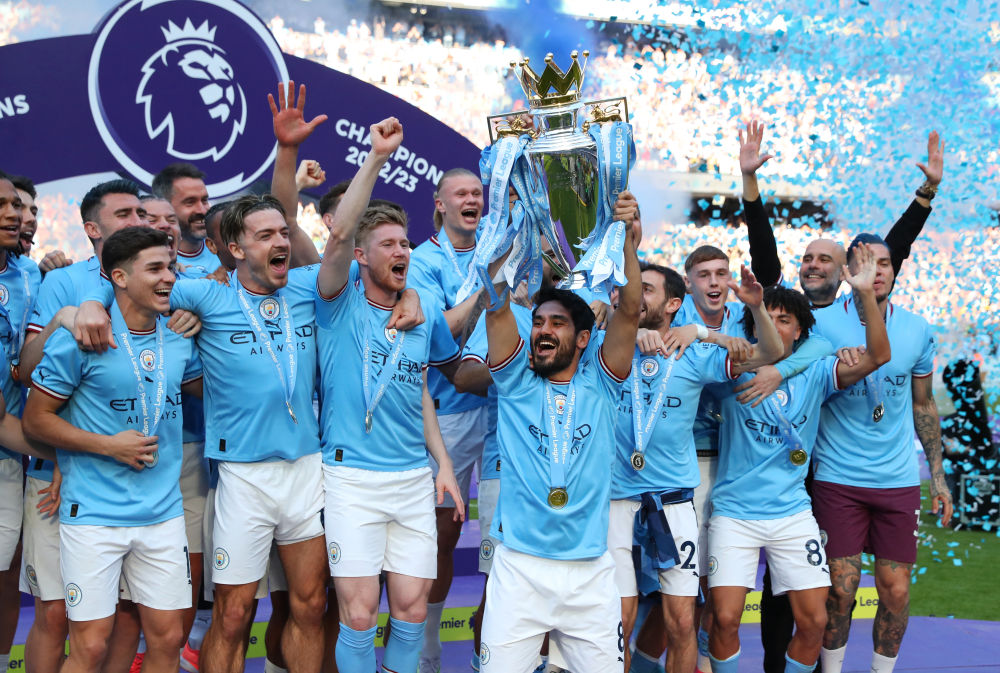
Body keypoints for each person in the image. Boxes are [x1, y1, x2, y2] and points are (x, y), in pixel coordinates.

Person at [315, 115, 466, 673]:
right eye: (388, 244)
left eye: (406, 242)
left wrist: (442, 463)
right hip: (351, 478)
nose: (402, 250)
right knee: (358, 614)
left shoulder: (420, 313)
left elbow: (420, 389)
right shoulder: (336, 302)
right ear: (362, 255)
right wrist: (377, 158)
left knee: (409, 610)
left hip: (411, 480)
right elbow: (337, 235)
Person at [23, 226, 203, 673]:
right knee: (89, 646)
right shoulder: (83, 337)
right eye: (155, 268)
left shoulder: (179, 337)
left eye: (171, 267)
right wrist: (108, 446)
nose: (169, 277)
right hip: (94, 516)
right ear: (119, 277)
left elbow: (211, 387)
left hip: (163, 513)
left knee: (168, 638)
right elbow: (35, 419)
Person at [478, 191, 641, 673]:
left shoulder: (603, 384)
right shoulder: (515, 381)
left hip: (589, 573)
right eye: (538, 323)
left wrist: (627, 243)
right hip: (519, 570)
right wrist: (509, 225)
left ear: (584, 338)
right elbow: (495, 304)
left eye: (557, 323)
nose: (543, 330)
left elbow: (630, 312)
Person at [708, 245, 890, 673]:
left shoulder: (817, 371)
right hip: (734, 513)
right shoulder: (734, 367)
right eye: (766, 317)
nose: (774, 325)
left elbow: (879, 357)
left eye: (784, 319)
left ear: (799, 331)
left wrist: (865, 295)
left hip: (792, 513)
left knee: (814, 622)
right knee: (724, 618)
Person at [611, 261, 784, 673]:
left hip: (672, 501)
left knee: (682, 621)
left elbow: (771, 353)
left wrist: (752, 310)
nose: (634, 295)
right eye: (631, 288)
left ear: (673, 303)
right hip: (616, 501)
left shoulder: (693, 354)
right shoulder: (609, 347)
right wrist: (628, 330)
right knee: (617, 622)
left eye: (646, 289)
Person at [810, 235, 951, 673]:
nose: (877, 271)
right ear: (848, 272)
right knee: (841, 589)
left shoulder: (916, 328)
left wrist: (938, 476)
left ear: (894, 270)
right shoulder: (821, 323)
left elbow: (923, 404)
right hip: (837, 477)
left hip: (897, 479)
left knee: (896, 590)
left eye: (885, 263)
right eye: (866, 263)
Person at [407, 167, 489, 673]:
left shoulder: (498, 250)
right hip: (449, 412)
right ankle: (429, 648)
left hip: (501, 409)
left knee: (504, 534)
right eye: (461, 193)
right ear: (440, 204)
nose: (471, 199)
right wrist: (487, 291)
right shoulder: (422, 261)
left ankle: (493, 646)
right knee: (442, 534)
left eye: (477, 192)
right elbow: (440, 336)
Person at [151, 163, 220, 275]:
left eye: (204, 200)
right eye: (190, 202)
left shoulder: (226, 252)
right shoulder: (150, 264)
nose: (202, 210)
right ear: (164, 206)